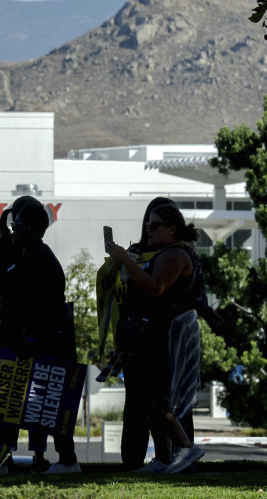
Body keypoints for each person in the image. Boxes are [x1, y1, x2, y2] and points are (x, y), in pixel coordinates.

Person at [0, 197, 80, 474]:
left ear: (31, 228)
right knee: (12, 403)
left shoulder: (40, 257)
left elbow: (42, 302)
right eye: (14, 223)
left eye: (19, 225)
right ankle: (4, 458)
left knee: (43, 403)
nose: (14, 229)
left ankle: (65, 459)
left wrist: (28, 333)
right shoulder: (15, 251)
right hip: (19, 337)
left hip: (37, 339)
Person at [105, 203, 205, 474]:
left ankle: (183, 448)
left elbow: (155, 287)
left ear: (172, 229)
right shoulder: (169, 252)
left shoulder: (174, 254)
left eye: (155, 225)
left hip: (169, 336)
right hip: (159, 334)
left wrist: (126, 260)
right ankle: (170, 454)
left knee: (157, 397)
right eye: (147, 224)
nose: (148, 229)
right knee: (153, 398)